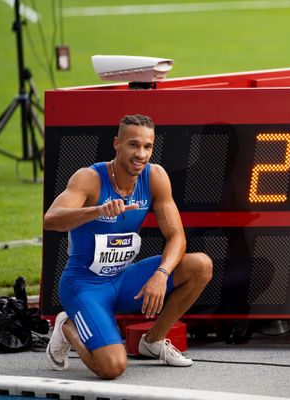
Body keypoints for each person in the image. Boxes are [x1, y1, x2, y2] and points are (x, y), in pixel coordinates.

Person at [44, 114, 213, 379]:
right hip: (84, 286)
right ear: (117, 144)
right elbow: (50, 220)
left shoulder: (155, 176)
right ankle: (66, 326)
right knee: (112, 368)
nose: (141, 154)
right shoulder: (89, 178)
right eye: (133, 145)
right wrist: (95, 210)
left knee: (200, 265)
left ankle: (153, 342)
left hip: (123, 280)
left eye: (147, 146)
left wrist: (161, 274)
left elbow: (177, 236)